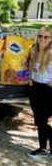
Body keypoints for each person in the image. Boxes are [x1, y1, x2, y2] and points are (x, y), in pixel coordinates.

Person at [28, 27, 52, 159]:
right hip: (35, 88)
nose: (42, 39)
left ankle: (44, 148)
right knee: (39, 121)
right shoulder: (34, 51)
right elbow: (33, 68)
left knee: (42, 121)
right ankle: (43, 148)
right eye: (40, 36)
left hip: (48, 91)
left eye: (46, 37)